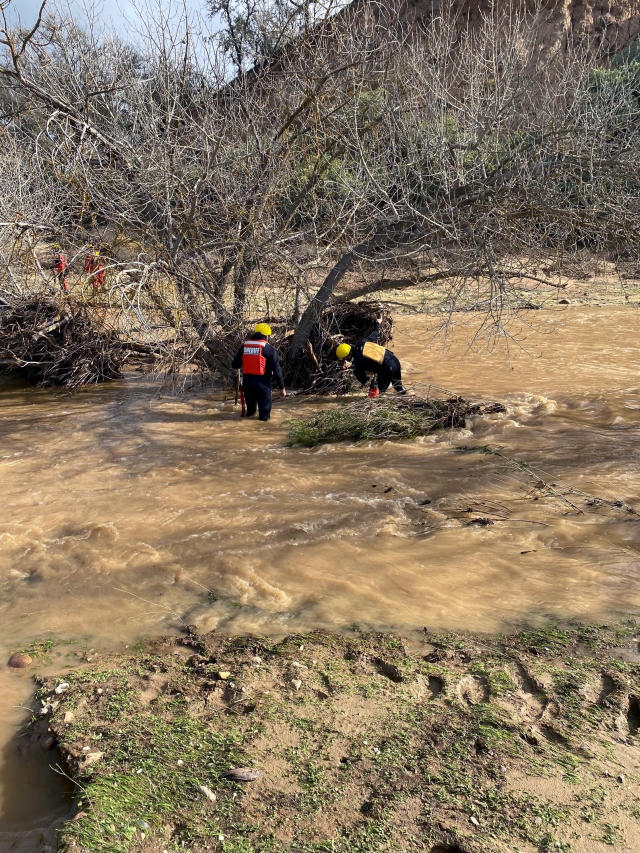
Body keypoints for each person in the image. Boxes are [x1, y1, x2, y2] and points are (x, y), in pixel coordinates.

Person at [336, 316, 407, 395]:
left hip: (387, 368)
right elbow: (375, 334)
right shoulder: (362, 343)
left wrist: (352, 367)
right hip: (394, 360)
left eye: (344, 359)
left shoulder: (357, 363)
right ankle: (407, 399)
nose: (345, 361)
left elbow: (364, 381)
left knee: (378, 394)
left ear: (346, 356)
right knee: (398, 386)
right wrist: (378, 323)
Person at [232, 323, 286, 421]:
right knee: (264, 419)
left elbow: (235, 365)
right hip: (263, 387)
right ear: (266, 336)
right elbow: (277, 371)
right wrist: (282, 388)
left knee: (250, 413)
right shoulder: (270, 349)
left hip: (247, 385)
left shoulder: (244, 346)